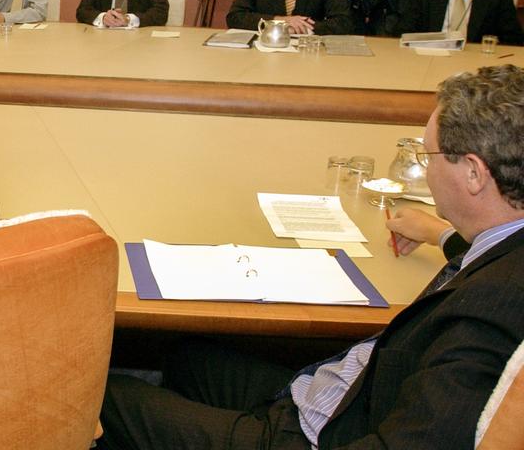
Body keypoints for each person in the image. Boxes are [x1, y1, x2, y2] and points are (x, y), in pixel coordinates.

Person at [99, 63, 524, 450]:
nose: (423, 168)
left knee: (105, 398)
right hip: (332, 394)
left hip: (315, 434)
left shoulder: (486, 316)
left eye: (427, 155)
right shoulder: (505, 247)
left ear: (473, 172)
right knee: (185, 356)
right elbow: (483, 252)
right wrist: (439, 232)